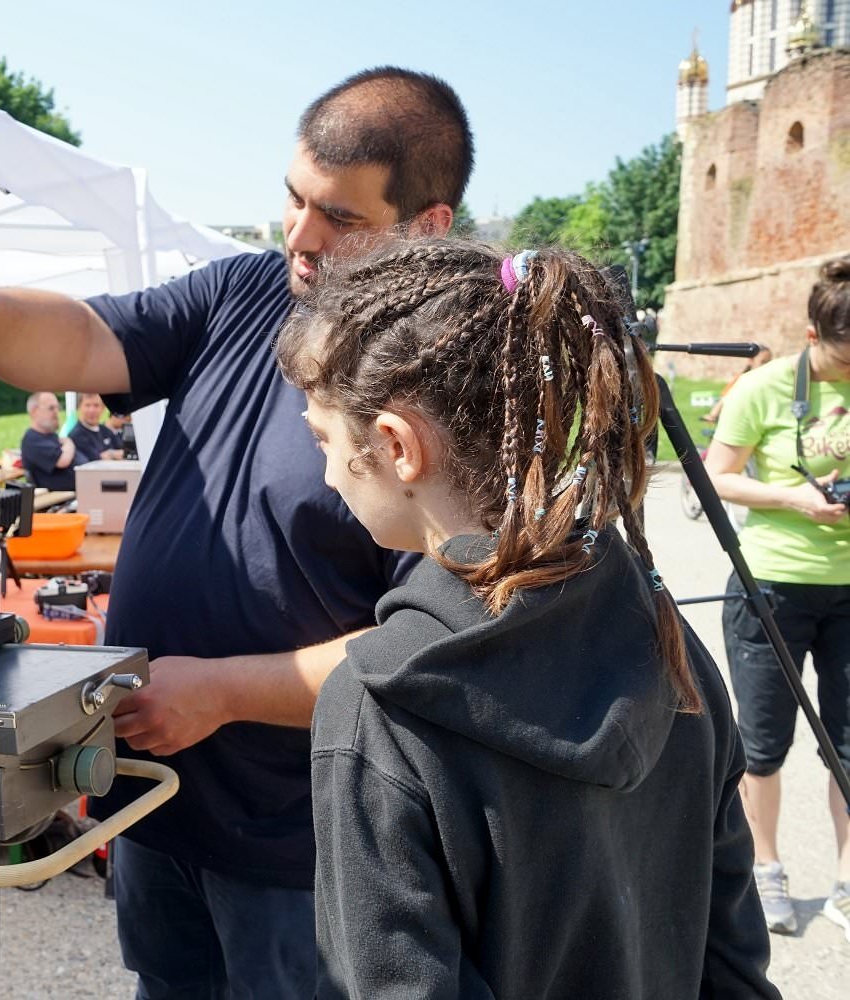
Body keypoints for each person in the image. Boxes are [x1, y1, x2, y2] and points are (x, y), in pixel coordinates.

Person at [0, 66, 472, 997]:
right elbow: (85, 338)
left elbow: (432, 645)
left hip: (299, 844)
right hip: (156, 802)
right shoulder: (245, 294)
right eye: (294, 200)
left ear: (429, 226)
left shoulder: (445, 382)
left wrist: (222, 691)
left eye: (340, 219)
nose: (301, 239)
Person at [279, 240, 778, 997]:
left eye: (324, 440)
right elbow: (735, 962)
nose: (322, 472)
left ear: (396, 445)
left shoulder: (377, 712)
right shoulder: (666, 642)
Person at [705, 256, 850, 941]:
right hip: (772, 586)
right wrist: (794, 497)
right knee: (762, 745)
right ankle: (766, 872)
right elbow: (719, 477)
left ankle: (849, 882)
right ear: (811, 334)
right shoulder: (762, 388)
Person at [20, 390, 85, 490]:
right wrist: (69, 443)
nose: (56, 412)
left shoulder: (50, 435)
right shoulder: (32, 439)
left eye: (57, 407)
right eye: (51, 408)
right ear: (34, 412)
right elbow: (63, 461)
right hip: (61, 498)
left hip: (81, 489)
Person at [704, 346, 774, 424]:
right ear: (750, 361)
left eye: (769, 362)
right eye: (763, 362)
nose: (766, 366)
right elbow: (725, 398)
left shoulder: (771, 380)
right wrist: (713, 415)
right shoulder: (742, 379)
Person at [70, 393, 126, 462]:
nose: (92, 410)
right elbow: (96, 460)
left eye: (96, 405)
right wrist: (113, 454)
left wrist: (110, 454)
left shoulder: (106, 431)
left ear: (103, 408)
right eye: (87, 405)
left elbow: (125, 452)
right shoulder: (76, 435)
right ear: (79, 407)